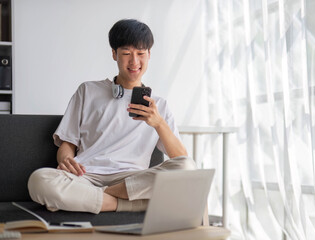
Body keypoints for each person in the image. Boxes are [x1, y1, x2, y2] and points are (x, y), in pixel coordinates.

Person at [27, 19, 196, 214]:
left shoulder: (159, 106)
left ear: (149, 55)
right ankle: (124, 204)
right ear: (114, 54)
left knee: (187, 167)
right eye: (126, 54)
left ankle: (98, 196)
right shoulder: (87, 91)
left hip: (132, 181)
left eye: (140, 54)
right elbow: (68, 144)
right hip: (86, 176)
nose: (134, 62)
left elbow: (180, 158)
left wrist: (158, 124)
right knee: (39, 180)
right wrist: (66, 160)